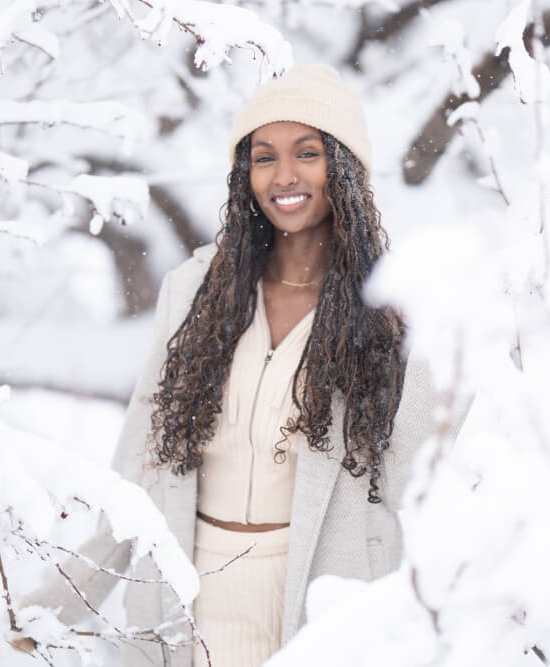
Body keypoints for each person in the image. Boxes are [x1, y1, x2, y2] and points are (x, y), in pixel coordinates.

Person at [26, 64, 447, 667]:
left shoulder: (398, 309)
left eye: (307, 153)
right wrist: (54, 606)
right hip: (191, 607)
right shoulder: (192, 292)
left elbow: (429, 491)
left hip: (325, 609)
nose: (284, 177)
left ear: (345, 166)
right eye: (263, 157)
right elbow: (135, 471)